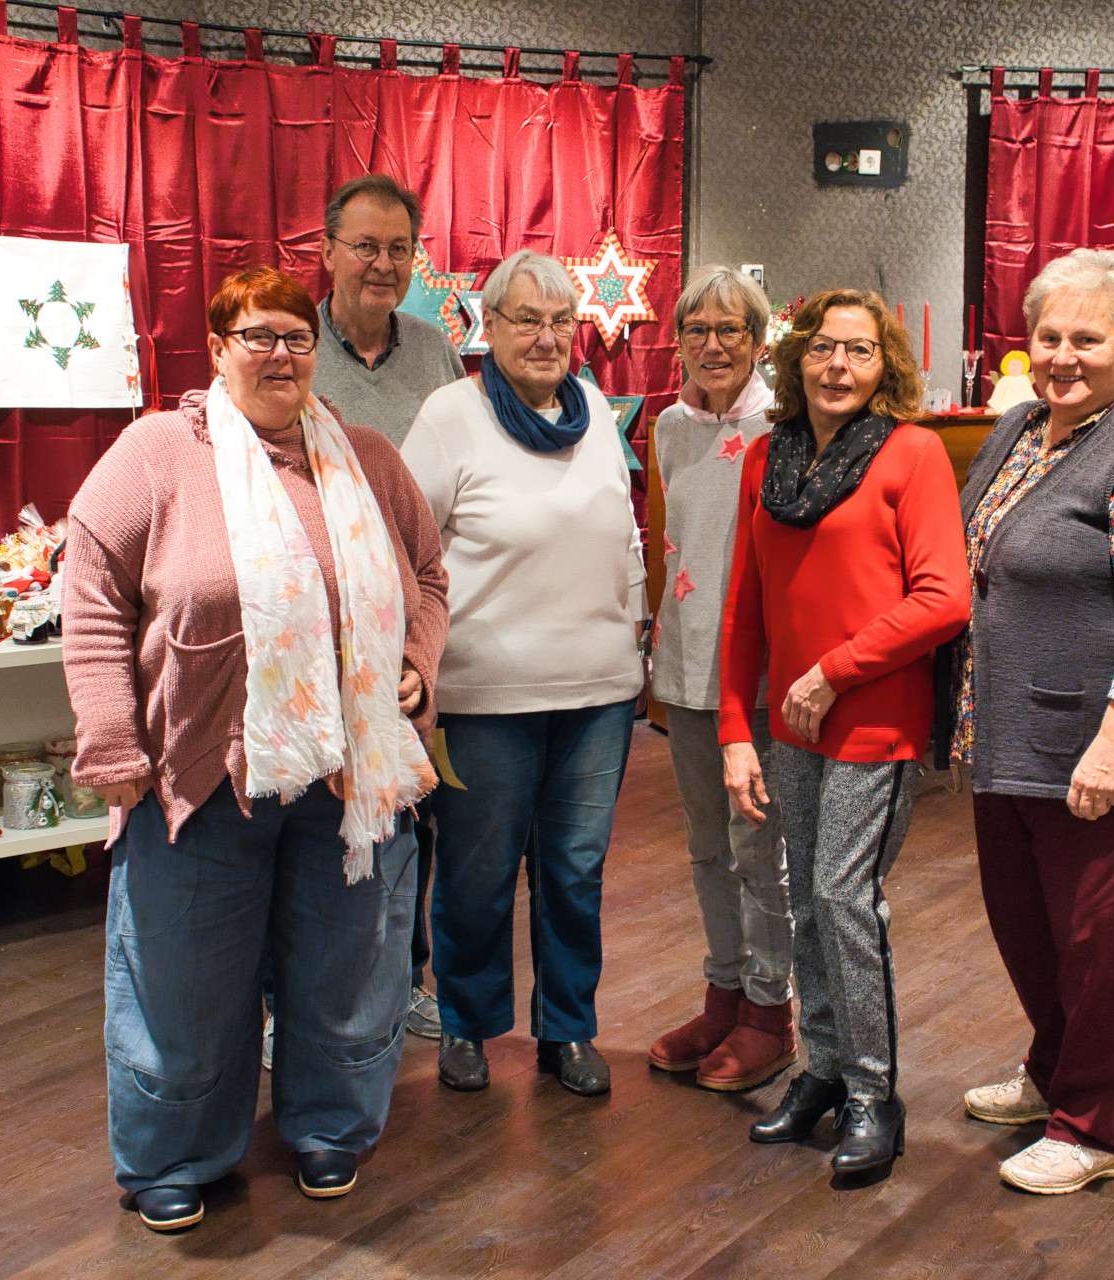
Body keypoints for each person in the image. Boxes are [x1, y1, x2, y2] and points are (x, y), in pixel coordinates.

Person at [63, 266, 449, 1233]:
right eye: (258, 336)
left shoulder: (366, 459)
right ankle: (174, 1156)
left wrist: (417, 660)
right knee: (184, 981)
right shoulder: (158, 454)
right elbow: (93, 592)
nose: (281, 354)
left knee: (346, 971)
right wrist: (112, 741)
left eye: (297, 338)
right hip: (200, 777)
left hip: (350, 778)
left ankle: (330, 1127)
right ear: (218, 348)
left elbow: (429, 576)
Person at [953, 248, 1114, 1195]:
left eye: (1087, 339)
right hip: (1007, 735)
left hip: (1093, 748)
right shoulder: (1021, 428)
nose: (1063, 356)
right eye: (1048, 336)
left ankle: (1097, 1126)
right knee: (1029, 929)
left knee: (1097, 946)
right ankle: (1054, 1070)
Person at [720, 289, 970, 1179]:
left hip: (876, 720)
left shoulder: (912, 454)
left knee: (842, 896)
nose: (839, 366)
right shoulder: (767, 458)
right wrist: (734, 729)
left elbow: (945, 598)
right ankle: (823, 1069)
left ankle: (873, 1093)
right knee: (807, 904)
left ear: (884, 365)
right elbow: (745, 605)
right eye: (825, 347)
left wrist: (834, 670)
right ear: (798, 358)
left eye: (860, 351)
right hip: (792, 727)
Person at [401, 250, 645, 1098]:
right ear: (489, 326)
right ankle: (467, 1025)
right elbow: (407, 549)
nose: (546, 337)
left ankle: (568, 1030)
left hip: (599, 694)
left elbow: (626, 535)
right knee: (477, 876)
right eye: (526, 319)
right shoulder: (451, 414)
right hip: (483, 699)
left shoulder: (595, 411)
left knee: (575, 875)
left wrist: (636, 628)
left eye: (559, 321)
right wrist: (414, 660)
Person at [303, 173, 467, 1047]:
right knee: (311, 820)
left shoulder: (437, 352)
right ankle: (295, 1001)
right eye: (365, 246)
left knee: (413, 811)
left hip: (411, 623)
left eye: (400, 249)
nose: (383, 264)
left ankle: (405, 978)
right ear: (326, 250)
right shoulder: (295, 347)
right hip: (313, 628)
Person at [646, 265, 796, 1092]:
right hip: (685, 666)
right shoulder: (669, 427)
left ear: (759, 340)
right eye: (696, 330)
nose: (712, 345)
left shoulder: (785, 423)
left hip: (758, 677)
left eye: (729, 329)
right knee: (706, 847)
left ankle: (770, 1011)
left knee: (758, 850)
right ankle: (724, 992)